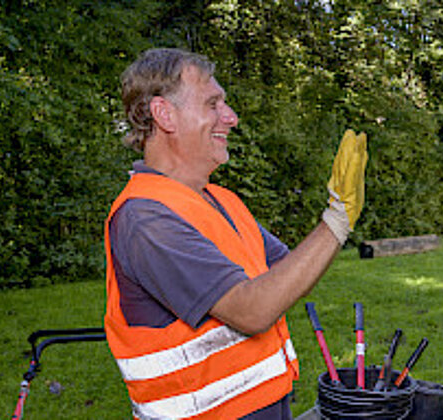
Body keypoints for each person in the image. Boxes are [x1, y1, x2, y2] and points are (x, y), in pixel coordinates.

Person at [103, 48, 367, 419]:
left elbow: (287, 276)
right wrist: (336, 220)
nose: (231, 117)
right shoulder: (146, 220)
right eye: (213, 104)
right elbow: (252, 310)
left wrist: (337, 214)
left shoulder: (221, 201)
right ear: (165, 115)